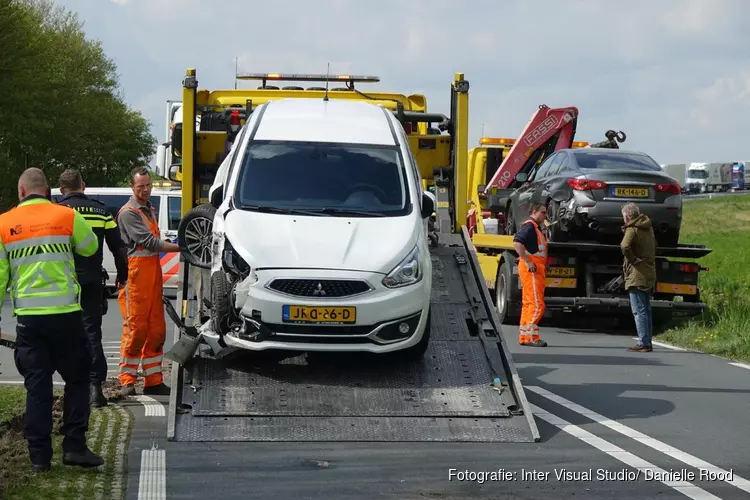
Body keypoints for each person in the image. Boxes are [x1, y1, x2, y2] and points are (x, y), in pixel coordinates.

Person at [0, 168, 104, 472]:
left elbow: (0, 276)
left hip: (29, 322)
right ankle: (74, 446)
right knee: (78, 379)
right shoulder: (66, 216)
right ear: (47, 191)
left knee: (37, 387)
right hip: (66, 318)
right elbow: (90, 247)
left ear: (21, 192)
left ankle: (39, 458)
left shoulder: (4, 224)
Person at [57, 168, 129, 407]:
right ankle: (95, 389)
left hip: (63, 283)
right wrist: (123, 275)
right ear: (83, 185)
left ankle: (72, 387)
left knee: (64, 334)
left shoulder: (58, 212)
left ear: (62, 189)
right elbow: (118, 248)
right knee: (92, 333)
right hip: (91, 281)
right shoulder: (101, 210)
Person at [116, 167, 180, 396]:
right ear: (132, 187)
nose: (145, 189)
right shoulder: (128, 212)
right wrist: (180, 247)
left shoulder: (149, 209)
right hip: (136, 279)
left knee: (156, 330)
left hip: (151, 276)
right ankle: (127, 380)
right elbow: (150, 243)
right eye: (140, 186)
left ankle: (154, 380)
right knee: (136, 329)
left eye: (148, 185)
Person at [620, 202, 656, 352]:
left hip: (637, 273)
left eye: (623, 217)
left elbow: (624, 246)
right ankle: (647, 341)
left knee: (638, 310)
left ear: (628, 216)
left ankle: (643, 343)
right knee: (646, 309)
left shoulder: (632, 229)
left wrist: (633, 259)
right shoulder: (648, 228)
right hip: (648, 271)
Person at [512, 203, 548, 347]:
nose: (546, 216)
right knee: (537, 304)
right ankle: (531, 337)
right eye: (543, 213)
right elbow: (517, 243)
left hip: (534, 268)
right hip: (532, 269)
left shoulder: (535, 228)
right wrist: (528, 262)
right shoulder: (529, 227)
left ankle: (525, 337)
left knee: (529, 303)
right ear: (534, 212)